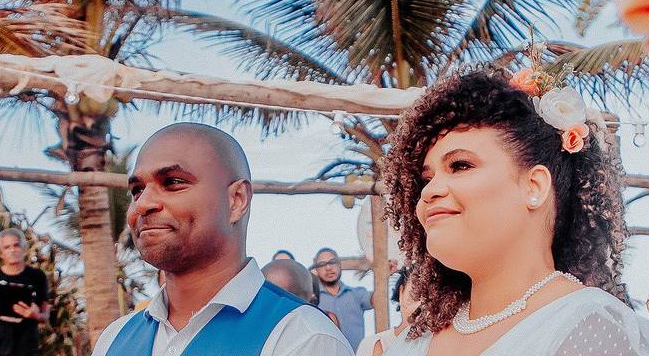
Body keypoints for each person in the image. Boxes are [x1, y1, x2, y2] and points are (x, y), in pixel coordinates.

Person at [379, 70, 649, 356]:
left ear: (534, 186)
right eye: (426, 179)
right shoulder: (418, 335)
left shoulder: (591, 327)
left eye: (460, 165)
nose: (429, 192)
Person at [92, 123, 352, 356]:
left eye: (172, 182)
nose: (143, 204)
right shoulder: (114, 339)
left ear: (236, 200)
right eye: (137, 190)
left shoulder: (301, 338)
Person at [0, 228, 50, 356]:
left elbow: (46, 314)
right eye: (7, 247)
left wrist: (36, 315)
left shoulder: (38, 277)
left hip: (26, 346)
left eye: (16, 245)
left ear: (24, 247)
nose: (12, 250)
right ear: (1, 253)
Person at [312, 248, 372, 351]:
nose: (328, 267)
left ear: (340, 265)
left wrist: (380, 267)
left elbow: (379, 300)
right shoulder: (312, 299)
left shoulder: (356, 294)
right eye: (322, 264)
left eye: (332, 262)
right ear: (316, 270)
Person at [356, 267, 417, 356]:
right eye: (416, 294)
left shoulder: (440, 345)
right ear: (401, 293)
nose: (420, 303)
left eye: (430, 296)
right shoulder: (371, 345)